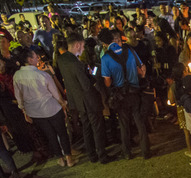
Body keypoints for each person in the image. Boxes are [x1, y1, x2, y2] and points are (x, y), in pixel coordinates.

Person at [13, 47, 73, 167]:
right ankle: (69, 158)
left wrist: (24, 110)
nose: (37, 58)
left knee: (50, 135)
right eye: (35, 57)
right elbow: (55, 94)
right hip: (52, 108)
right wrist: (63, 103)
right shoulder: (42, 75)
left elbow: (19, 97)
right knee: (62, 132)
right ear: (30, 60)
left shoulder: (17, 76)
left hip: (35, 112)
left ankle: (60, 159)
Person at [99, 28, 150, 160]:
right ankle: (146, 151)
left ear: (104, 44)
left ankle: (127, 152)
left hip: (120, 95)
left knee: (124, 124)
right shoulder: (130, 51)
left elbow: (108, 82)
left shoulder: (105, 58)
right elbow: (142, 71)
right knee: (139, 122)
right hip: (135, 91)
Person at [58, 32, 109, 163]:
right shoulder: (77, 64)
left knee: (86, 127)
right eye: (82, 46)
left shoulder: (62, 60)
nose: (83, 49)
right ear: (77, 45)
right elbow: (86, 85)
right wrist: (93, 75)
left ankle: (92, 155)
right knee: (97, 127)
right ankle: (102, 155)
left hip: (77, 101)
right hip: (89, 101)